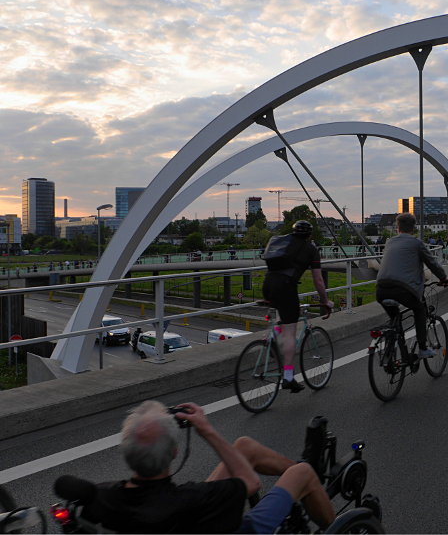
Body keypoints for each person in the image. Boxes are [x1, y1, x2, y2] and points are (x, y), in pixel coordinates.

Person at [79, 400, 335, 533]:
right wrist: (206, 429)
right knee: (303, 473)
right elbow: (250, 483)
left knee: (243, 446)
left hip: (180, 517)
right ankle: (316, 494)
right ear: (175, 454)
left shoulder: (104, 497)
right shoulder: (198, 498)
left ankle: (304, 481)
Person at [263, 220, 333, 392]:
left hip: (268, 283)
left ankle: (273, 336)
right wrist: (325, 301)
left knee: (283, 318)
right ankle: (288, 377)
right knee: (290, 333)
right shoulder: (310, 249)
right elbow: (318, 280)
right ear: (310, 235)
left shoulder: (282, 241)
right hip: (286, 287)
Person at [376, 213, 448, 359]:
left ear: (398, 227)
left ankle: (392, 351)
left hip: (381, 288)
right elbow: (432, 263)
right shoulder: (416, 243)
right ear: (413, 228)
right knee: (420, 309)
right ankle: (422, 348)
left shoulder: (389, 242)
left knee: (395, 319)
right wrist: (443, 278)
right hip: (403, 289)